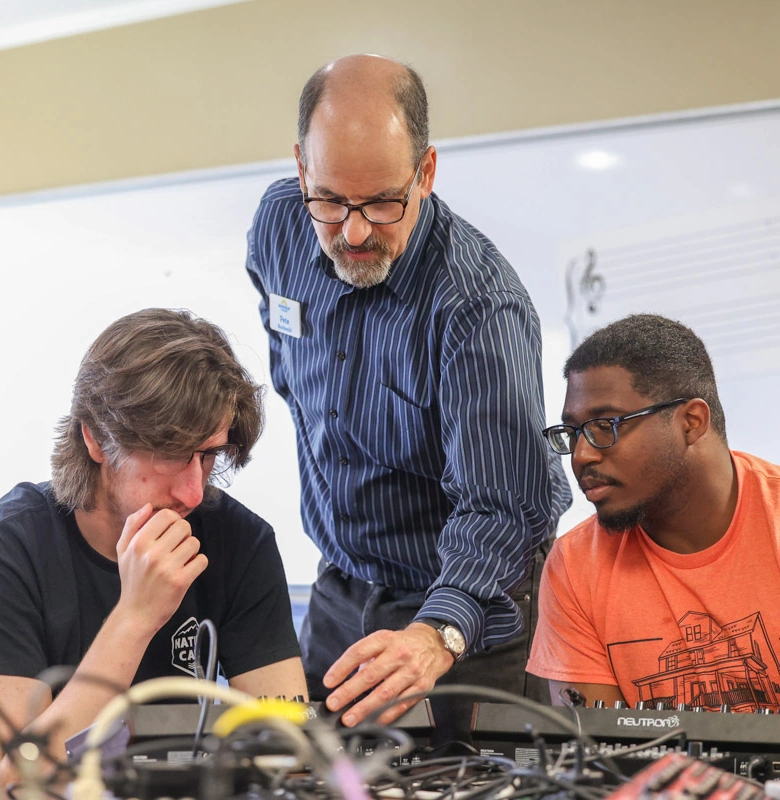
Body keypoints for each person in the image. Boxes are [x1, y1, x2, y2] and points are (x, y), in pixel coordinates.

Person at [246, 53, 571, 730]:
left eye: (382, 203)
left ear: (425, 173)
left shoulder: (479, 308)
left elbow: (498, 508)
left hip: (466, 609)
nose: (355, 231)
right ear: (302, 168)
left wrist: (435, 635)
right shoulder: (280, 224)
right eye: (331, 201)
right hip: (342, 586)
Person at [0, 308, 307, 777]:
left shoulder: (241, 540)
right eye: (171, 453)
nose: (194, 492)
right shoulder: (2, 554)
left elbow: (289, 755)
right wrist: (135, 619)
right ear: (94, 439)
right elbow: (10, 781)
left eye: (209, 455)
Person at [527, 313, 780, 712]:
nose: (581, 455)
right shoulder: (574, 566)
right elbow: (596, 756)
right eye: (573, 432)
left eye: (605, 425)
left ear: (691, 422)